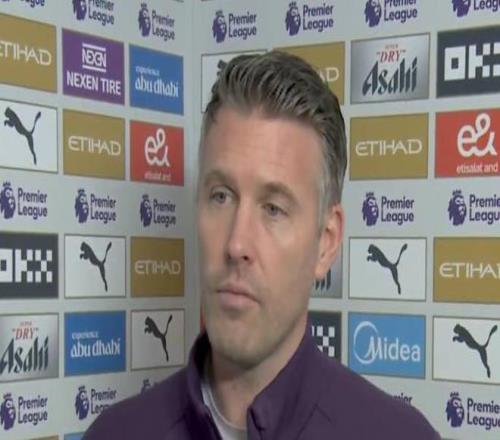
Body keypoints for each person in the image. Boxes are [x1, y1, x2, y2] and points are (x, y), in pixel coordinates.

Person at [83, 51, 440, 439]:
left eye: (273, 208)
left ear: (326, 242)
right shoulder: (115, 434)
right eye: (221, 196)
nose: (236, 244)